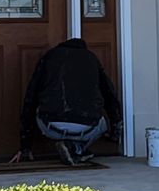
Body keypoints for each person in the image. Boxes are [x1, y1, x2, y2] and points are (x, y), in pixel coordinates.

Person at [18, 37, 122, 165]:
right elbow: (109, 95)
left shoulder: (50, 56)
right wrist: (115, 132)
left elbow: (31, 98)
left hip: (51, 127)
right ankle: (76, 148)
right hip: (87, 127)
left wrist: (25, 147)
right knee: (102, 123)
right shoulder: (91, 58)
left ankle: (73, 147)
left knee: (40, 106)